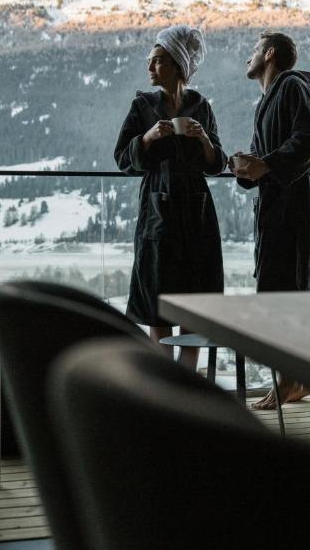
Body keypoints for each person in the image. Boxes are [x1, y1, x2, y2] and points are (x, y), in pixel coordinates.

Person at [115, 26, 227, 368]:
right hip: (157, 213)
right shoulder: (142, 106)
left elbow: (217, 164)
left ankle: (187, 386)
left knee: (194, 307)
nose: (150, 68)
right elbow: (122, 158)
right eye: (149, 61)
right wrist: (147, 138)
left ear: (178, 65)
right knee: (158, 307)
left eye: (157, 61)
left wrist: (204, 140)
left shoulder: (200, 106)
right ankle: (166, 389)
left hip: (196, 214)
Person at [232, 31, 310, 408]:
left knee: (288, 287)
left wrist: (266, 164)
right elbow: (264, 162)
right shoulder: (266, 102)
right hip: (276, 207)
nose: (247, 58)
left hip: (292, 208)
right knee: (279, 285)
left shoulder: (291, 87)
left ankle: (291, 380)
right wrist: (244, 168)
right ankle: (292, 378)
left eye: (253, 50)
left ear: (270, 54)